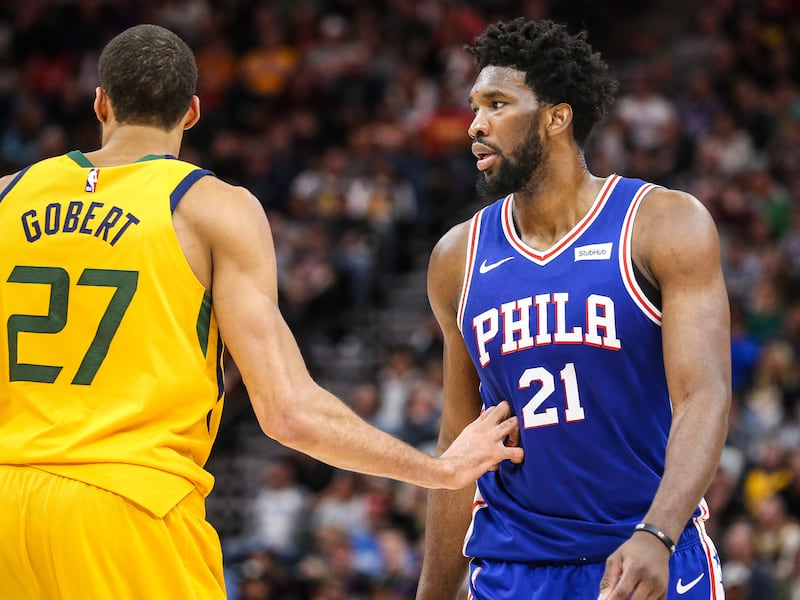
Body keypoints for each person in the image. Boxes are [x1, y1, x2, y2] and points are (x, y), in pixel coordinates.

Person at [0, 24, 524, 599]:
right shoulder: (210, 208)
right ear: (193, 112)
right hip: (127, 505)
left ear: (100, 101)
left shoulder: (9, 194)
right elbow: (288, 412)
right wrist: (442, 469)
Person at [416, 18, 731, 600]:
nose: (475, 125)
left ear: (556, 117)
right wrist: (433, 592)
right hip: (513, 567)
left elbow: (704, 394)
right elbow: (460, 439)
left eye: (497, 104)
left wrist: (658, 533)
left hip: (642, 551)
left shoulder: (660, 224)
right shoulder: (456, 257)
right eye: (473, 107)